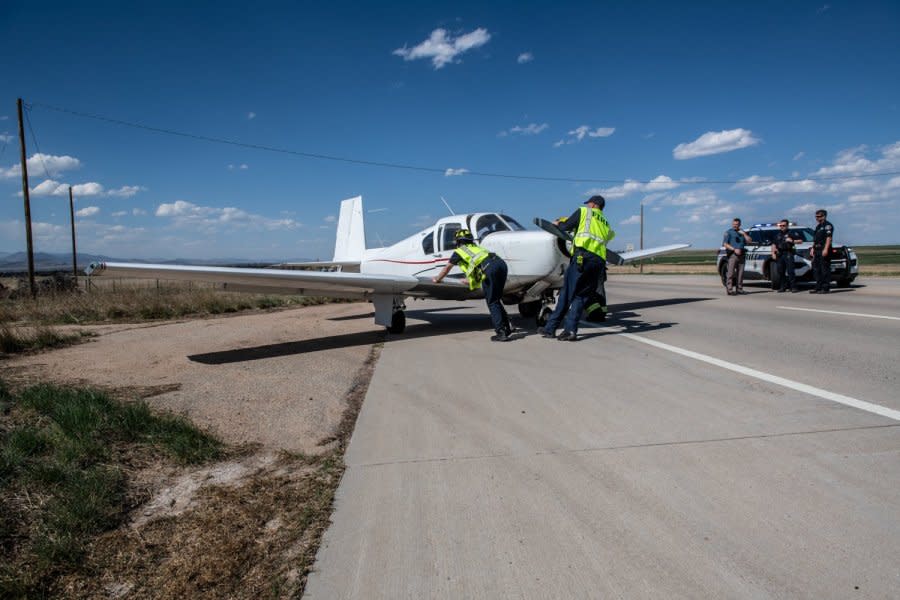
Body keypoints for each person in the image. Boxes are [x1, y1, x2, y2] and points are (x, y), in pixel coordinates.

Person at [540, 195, 615, 341]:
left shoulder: (584, 212)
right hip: (599, 262)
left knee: (566, 293)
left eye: (589, 204)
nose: (587, 206)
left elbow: (566, 226)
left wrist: (556, 224)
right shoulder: (606, 223)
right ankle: (570, 331)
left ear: (593, 205)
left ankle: (550, 329)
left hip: (583, 258)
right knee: (580, 296)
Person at [432, 229, 512, 341]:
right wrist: (471, 280)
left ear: (458, 242)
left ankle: (501, 332)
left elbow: (446, 269)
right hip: (501, 264)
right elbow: (477, 265)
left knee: (492, 302)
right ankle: (507, 328)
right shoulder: (477, 248)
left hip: (490, 268)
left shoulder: (459, 251)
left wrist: (437, 279)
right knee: (496, 299)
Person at [771, 219, 802, 293]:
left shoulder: (791, 233)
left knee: (790, 271)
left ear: (787, 226)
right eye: (780, 225)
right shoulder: (778, 234)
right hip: (780, 254)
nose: (782, 227)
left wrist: (792, 241)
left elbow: (800, 241)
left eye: (783, 225)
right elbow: (773, 244)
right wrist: (773, 253)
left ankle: (793, 287)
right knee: (780, 271)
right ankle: (783, 287)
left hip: (788, 253)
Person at [723, 218, 752, 295]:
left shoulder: (742, 232)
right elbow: (725, 244)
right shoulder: (729, 232)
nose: (735, 226)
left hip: (742, 254)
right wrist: (734, 249)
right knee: (731, 273)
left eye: (737, 224)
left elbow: (749, 241)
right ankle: (729, 289)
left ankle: (739, 289)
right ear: (732, 224)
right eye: (734, 224)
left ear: (740, 224)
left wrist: (744, 234)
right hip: (733, 255)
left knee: (741, 273)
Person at [810, 209, 834, 294]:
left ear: (824, 216)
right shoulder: (818, 226)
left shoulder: (828, 226)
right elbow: (815, 239)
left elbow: (828, 238)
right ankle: (818, 287)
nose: (817, 218)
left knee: (824, 269)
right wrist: (813, 248)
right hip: (817, 250)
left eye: (819, 216)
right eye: (816, 216)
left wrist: (826, 249)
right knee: (817, 269)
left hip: (823, 249)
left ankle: (825, 287)